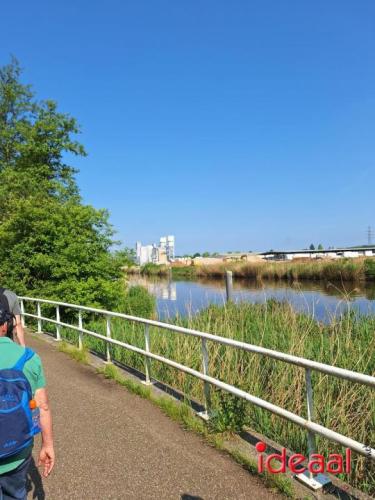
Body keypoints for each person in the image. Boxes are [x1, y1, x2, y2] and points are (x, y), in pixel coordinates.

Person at [0, 306, 54, 499]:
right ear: (7, 325)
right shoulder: (29, 359)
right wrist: (47, 445)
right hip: (18, 451)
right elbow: (43, 406)